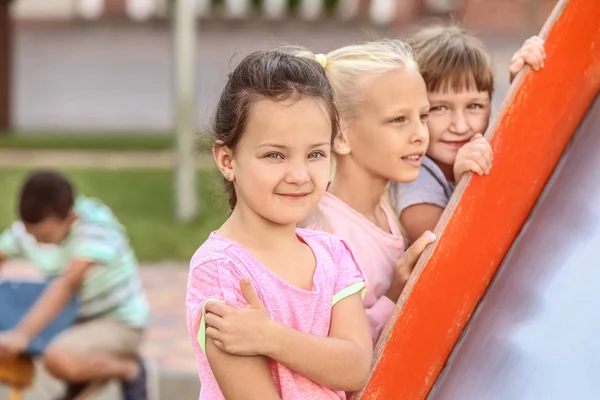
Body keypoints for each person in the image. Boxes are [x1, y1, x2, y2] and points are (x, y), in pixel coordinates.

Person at [186, 50, 373, 400]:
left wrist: (271, 337)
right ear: (228, 160)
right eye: (275, 155)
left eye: (315, 154)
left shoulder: (332, 254)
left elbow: (356, 367)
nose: (299, 175)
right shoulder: (222, 269)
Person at [0, 170, 151, 400]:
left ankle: (129, 369)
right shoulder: (35, 226)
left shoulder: (96, 230)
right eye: (31, 235)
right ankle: (77, 383)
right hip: (72, 318)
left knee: (58, 359)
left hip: (118, 322)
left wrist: (21, 335)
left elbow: (66, 285)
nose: (36, 242)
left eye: (44, 236)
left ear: (70, 219)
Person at [391, 26, 546, 244]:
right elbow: (440, 249)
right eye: (440, 108)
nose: (461, 126)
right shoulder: (416, 172)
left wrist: (523, 89)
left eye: (474, 106)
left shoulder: (480, 146)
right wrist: (467, 185)